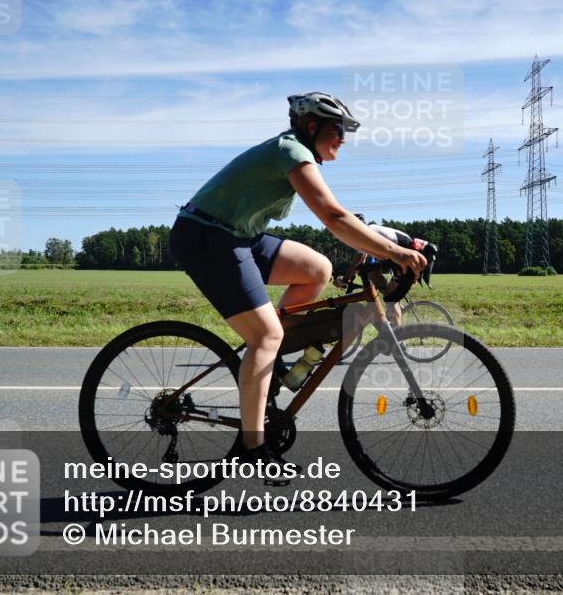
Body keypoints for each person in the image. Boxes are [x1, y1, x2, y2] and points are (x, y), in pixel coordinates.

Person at [168, 92, 427, 482]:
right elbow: (333, 216)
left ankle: (267, 366)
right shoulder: (291, 151)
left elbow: (341, 221)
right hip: (206, 237)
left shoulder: (295, 152)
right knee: (266, 336)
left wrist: (379, 249)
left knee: (317, 269)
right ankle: (253, 448)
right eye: (338, 129)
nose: (343, 138)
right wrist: (392, 252)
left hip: (240, 236)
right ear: (311, 127)